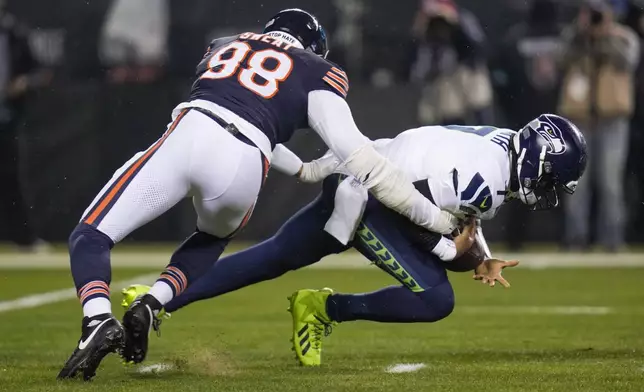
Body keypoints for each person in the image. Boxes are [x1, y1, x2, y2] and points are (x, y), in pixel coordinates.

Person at [57, 8, 460, 381]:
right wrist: (439, 221)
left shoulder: (225, 45)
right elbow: (358, 158)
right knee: (211, 239)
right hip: (246, 163)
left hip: (195, 128)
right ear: (315, 47)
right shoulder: (317, 70)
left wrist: (303, 169)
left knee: (91, 235)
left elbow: (237, 102)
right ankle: (153, 301)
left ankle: (97, 319)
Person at [122, 113, 588, 366]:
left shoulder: (502, 147)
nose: (548, 191)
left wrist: (479, 255)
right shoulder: (485, 179)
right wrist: (452, 250)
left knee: (272, 257)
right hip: (372, 198)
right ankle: (325, 309)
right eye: (551, 180)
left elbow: (456, 207)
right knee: (435, 299)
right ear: (536, 161)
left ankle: (156, 298)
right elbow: (409, 207)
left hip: (360, 177)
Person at [558, 0, 639, 251]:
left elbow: (627, 62)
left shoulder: (624, 37)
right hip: (579, 119)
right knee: (576, 184)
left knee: (610, 182)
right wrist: (579, 34)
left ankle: (612, 238)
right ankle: (576, 238)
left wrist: (605, 34)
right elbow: (560, 61)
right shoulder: (574, 38)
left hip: (612, 119)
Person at [0, 3, 51, 251]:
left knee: (10, 178)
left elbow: (41, 72)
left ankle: (23, 238)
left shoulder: (15, 34)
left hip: (6, 116)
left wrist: (24, 82)